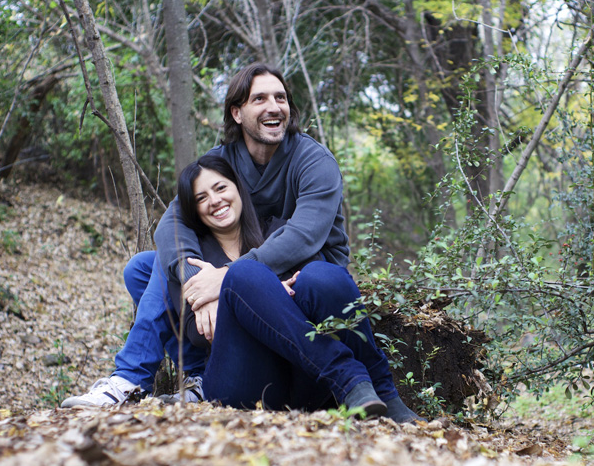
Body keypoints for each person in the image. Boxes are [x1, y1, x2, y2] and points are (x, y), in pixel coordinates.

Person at [62, 63, 417, 421]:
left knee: (291, 278)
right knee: (146, 265)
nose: (273, 106)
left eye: (280, 98)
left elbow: (304, 235)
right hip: (243, 307)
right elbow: (173, 220)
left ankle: (377, 386)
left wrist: (225, 277)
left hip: (307, 279)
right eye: (259, 99)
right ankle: (166, 376)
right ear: (237, 112)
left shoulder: (313, 162)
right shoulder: (225, 162)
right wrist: (195, 282)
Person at [169, 154, 417, 418]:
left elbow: (318, 287)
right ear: (193, 209)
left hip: (305, 380)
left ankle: (383, 392)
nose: (215, 200)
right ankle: (349, 378)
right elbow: (196, 334)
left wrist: (260, 292)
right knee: (243, 274)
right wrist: (239, 290)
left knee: (323, 276)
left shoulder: (280, 234)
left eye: (220, 188)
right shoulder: (194, 260)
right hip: (240, 383)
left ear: (239, 189)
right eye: (201, 198)